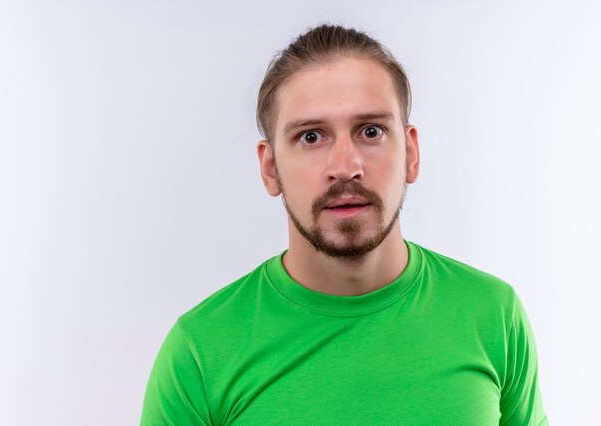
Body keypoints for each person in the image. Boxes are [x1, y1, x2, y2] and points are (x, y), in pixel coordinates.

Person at [140, 24, 548, 425]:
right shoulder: (198, 354)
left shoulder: (494, 315)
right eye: (311, 137)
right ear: (270, 168)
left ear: (410, 153)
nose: (345, 167)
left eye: (370, 131)